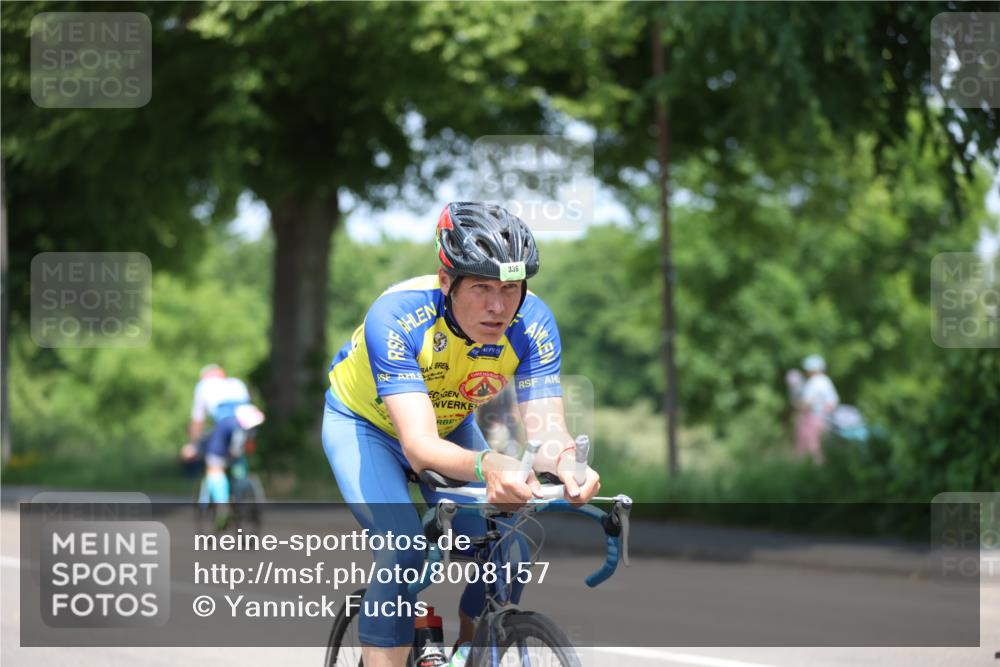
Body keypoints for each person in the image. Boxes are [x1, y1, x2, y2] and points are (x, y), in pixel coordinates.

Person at [322, 202, 601, 667]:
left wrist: (572, 465)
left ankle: (472, 652)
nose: (498, 306)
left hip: (449, 427)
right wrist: (491, 463)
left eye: (510, 288)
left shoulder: (532, 325)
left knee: (508, 549)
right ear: (446, 280)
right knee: (403, 546)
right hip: (365, 427)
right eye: (481, 288)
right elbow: (419, 447)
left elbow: (548, 430)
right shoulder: (396, 316)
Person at [180, 365, 263, 518]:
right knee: (237, 454)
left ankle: (222, 506)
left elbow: (198, 422)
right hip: (248, 422)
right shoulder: (237, 383)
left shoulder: (203, 386)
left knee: (214, 466)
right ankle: (242, 488)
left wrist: (194, 444)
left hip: (225, 424)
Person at [795, 354, 840, 464]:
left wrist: (798, 407)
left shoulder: (814, 382)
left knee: (813, 446)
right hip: (827, 418)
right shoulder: (826, 381)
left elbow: (807, 403)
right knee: (822, 445)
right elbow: (834, 401)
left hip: (814, 417)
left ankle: (814, 471)